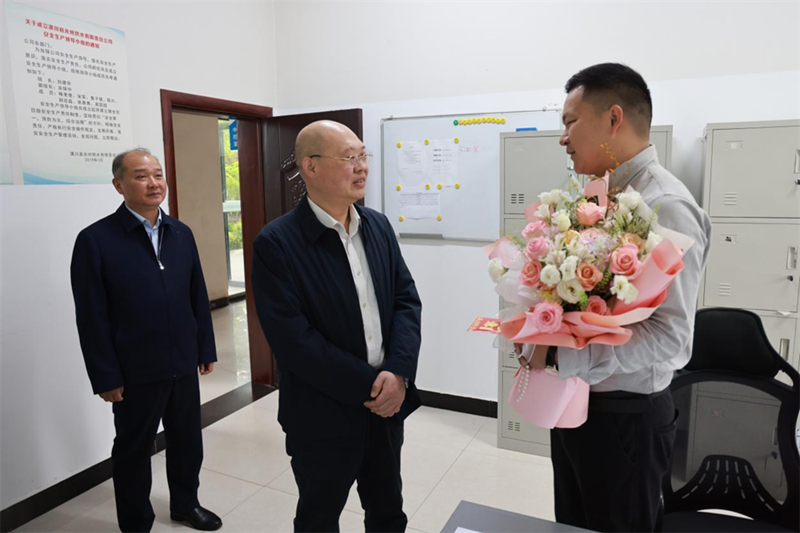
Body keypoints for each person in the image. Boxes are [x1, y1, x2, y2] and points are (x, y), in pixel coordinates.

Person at [518, 63, 712, 533]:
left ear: (613, 118)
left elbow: (671, 337)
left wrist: (564, 357)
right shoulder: (601, 196)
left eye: (570, 122)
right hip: (580, 403)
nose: (563, 139)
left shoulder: (665, 205)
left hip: (625, 420)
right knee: (573, 524)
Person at [252, 120, 422, 533]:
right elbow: (293, 341)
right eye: (349, 157)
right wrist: (373, 386)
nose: (361, 166)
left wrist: (398, 372)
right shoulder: (277, 243)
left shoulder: (377, 226)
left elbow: (405, 301)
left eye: (363, 155)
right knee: (319, 516)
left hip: (386, 407)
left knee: (388, 512)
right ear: (310, 167)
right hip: (321, 414)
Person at [70, 148, 222, 533]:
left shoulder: (180, 233)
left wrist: (204, 347)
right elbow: (91, 317)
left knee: (187, 441)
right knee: (134, 449)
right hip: (134, 368)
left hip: (182, 361)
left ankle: (186, 504)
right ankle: (136, 522)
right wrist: (105, 376)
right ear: (118, 185)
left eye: (158, 174)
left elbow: (196, 295)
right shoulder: (95, 240)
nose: (154, 183)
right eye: (141, 176)